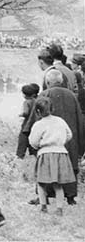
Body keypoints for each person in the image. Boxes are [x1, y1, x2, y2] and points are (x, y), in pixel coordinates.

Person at [24, 68, 84, 205]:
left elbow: (35, 118)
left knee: (45, 168)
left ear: (47, 81)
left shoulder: (44, 94)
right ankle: (70, 196)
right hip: (68, 138)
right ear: (62, 81)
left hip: (48, 140)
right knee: (70, 166)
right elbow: (79, 118)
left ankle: (43, 197)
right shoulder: (72, 96)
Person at [28, 97, 77, 216]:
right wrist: (60, 143)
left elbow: (33, 141)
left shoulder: (39, 124)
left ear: (38, 111)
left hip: (45, 154)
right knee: (58, 184)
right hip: (61, 154)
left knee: (41, 182)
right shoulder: (60, 121)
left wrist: (40, 145)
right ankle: (59, 209)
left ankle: (43, 206)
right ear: (52, 108)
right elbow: (69, 134)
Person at [17, 83, 40, 181]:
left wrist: (21, 114)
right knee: (34, 150)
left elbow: (26, 112)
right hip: (34, 127)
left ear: (24, 94)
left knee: (21, 146)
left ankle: (19, 164)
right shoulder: (37, 101)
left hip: (26, 127)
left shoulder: (26, 102)